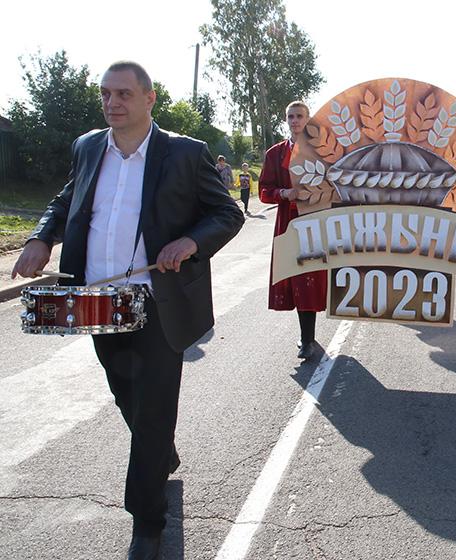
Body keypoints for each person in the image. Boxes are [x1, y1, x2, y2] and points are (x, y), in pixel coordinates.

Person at [11, 61, 244, 560]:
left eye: (123, 94)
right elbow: (67, 199)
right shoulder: (88, 146)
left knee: (153, 410)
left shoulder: (185, 153)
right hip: (97, 299)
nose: (112, 103)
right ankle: (161, 455)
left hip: (156, 302)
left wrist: (191, 241)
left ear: (149, 98)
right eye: (105, 94)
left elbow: (227, 212)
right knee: (124, 394)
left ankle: (147, 523)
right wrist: (41, 237)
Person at [258, 101, 327, 360]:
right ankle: (306, 339)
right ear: (286, 120)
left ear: (308, 119)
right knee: (297, 278)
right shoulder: (275, 154)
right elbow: (264, 192)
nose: (295, 120)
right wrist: (284, 193)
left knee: (314, 278)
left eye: (299, 116)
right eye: (291, 116)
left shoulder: (322, 151)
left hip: (317, 221)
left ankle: (308, 337)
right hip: (289, 223)